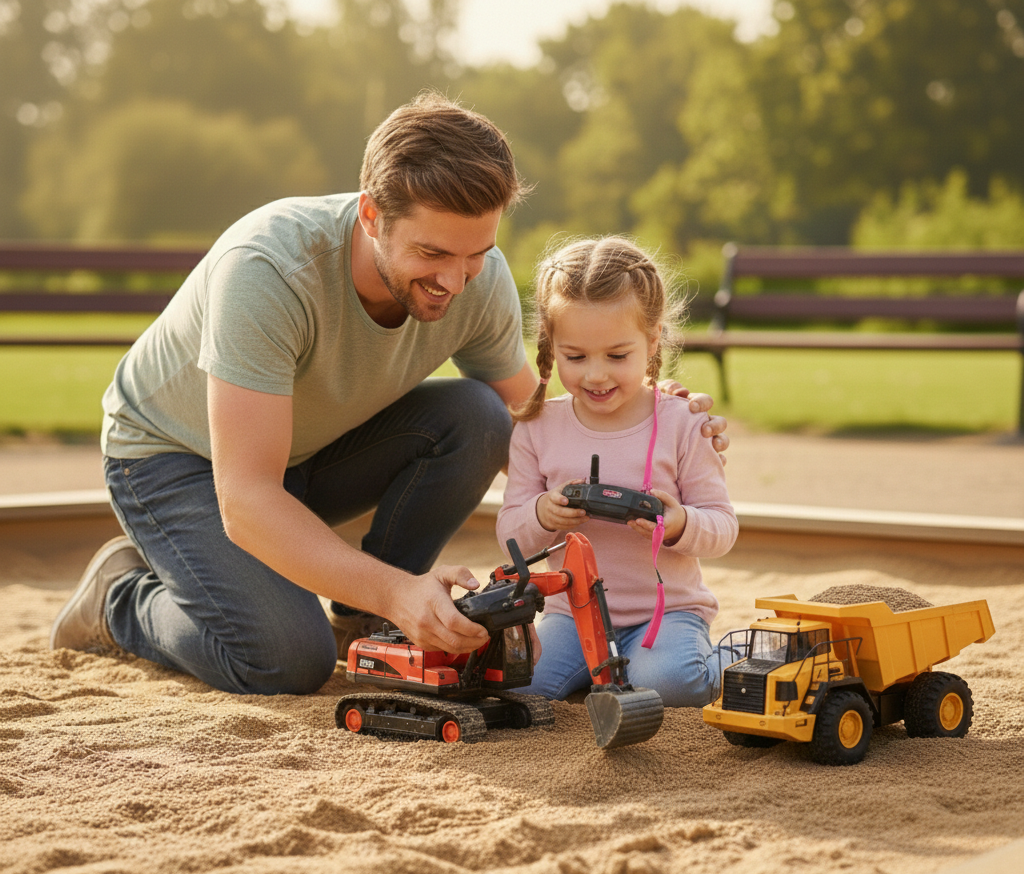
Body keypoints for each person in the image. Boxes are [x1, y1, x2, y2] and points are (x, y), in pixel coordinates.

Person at [50, 94, 729, 697]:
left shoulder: (474, 276)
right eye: (433, 254)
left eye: (477, 253)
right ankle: (121, 598)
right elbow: (247, 499)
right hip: (177, 463)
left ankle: (368, 615)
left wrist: (645, 411)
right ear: (373, 216)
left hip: (308, 454)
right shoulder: (266, 272)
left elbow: (531, 422)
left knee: (477, 416)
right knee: (285, 660)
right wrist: (402, 589)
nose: (456, 280)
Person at [497, 237, 738, 707]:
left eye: (617, 355)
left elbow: (723, 527)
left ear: (652, 342)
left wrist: (681, 523)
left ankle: (738, 656)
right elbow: (510, 534)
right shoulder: (537, 427)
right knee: (522, 686)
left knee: (668, 684)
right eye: (576, 356)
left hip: (666, 613)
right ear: (550, 345)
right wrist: (543, 515)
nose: (596, 375)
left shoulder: (683, 422)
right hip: (572, 615)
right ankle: (608, 673)